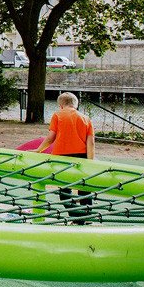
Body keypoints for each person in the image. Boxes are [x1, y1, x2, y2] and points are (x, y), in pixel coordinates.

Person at [35, 92, 94, 224]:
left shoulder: (58, 115)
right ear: (76, 105)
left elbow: (51, 138)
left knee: (64, 191)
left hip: (62, 158)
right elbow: (91, 143)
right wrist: (90, 162)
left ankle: (76, 216)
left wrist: (38, 149)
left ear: (60, 106)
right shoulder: (86, 119)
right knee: (84, 188)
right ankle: (87, 216)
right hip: (81, 157)